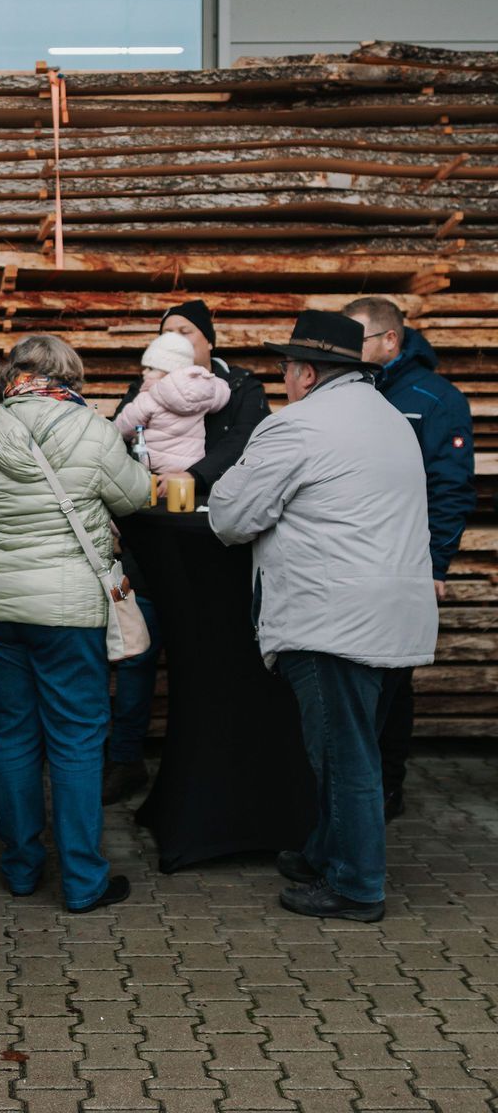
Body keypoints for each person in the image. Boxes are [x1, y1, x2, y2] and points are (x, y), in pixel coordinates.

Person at [208, 310, 438, 922]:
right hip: (395, 614)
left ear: (307, 373)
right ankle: (322, 853)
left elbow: (230, 519)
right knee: (354, 745)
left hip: (334, 617)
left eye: (286, 367)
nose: (283, 378)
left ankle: (357, 886)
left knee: (343, 758)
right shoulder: (390, 420)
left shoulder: (300, 427)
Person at [0, 334, 151, 912]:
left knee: (9, 734)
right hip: (65, 608)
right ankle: (84, 881)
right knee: (76, 738)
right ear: (71, 375)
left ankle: (20, 868)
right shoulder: (91, 428)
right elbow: (135, 497)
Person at [104, 298, 270, 805]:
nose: (177, 339)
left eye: (187, 331)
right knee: (136, 655)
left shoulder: (240, 389)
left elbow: (248, 443)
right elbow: (116, 438)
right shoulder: (148, 384)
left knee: (207, 657)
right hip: (147, 546)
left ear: (209, 342)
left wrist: (193, 477)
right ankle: (125, 759)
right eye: (168, 331)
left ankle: (212, 763)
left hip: (214, 547)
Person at [342, 296, 475, 819]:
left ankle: (385, 788)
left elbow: (452, 488)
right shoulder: (351, 392)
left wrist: (436, 564)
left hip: (405, 567)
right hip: (352, 561)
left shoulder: (435, 399)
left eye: (357, 339)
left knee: (393, 683)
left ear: (389, 340)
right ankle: (352, 790)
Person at [113, 330, 230, 473]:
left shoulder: (149, 398)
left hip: (153, 467)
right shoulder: (204, 392)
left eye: (150, 368)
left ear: (167, 372)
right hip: (191, 467)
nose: (144, 372)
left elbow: (122, 428)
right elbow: (222, 394)